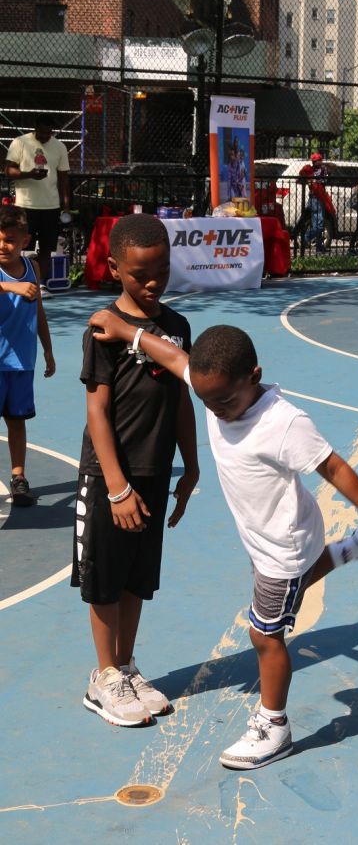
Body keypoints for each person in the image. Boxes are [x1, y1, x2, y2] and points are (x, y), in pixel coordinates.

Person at [87, 313, 358, 768]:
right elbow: (175, 357)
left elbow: (334, 467)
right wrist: (129, 333)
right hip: (273, 538)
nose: (216, 409)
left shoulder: (284, 423)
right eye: (206, 401)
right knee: (291, 588)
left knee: (265, 634)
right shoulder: (214, 383)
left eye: (224, 400)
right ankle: (351, 547)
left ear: (253, 376)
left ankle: (273, 726)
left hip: (283, 547)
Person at [71, 213, 199, 728]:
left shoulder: (176, 327)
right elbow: (97, 412)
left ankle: (126, 666)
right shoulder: (104, 328)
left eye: (161, 272)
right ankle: (103, 678)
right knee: (104, 578)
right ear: (114, 268)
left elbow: (183, 399)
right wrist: (117, 487)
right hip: (111, 477)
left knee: (136, 578)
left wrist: (190, 465)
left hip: (155, 471)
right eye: (140, 275)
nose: (152, 283)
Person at [0, 205, 55, 507]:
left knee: (17, 420)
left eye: (9, 240)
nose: (2, 245)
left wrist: (47, 349)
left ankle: (18, 476)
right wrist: (12, 286)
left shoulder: (32, 268)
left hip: (21, 361)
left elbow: (39, 311)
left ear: (25, 240)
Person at [5, 115, 71, 295]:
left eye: (48, 133)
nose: (45, 136)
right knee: (22, 246)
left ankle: (38, 283)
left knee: (47, 247)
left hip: (51, 206)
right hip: (25, 204)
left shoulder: (59, 146)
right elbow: (8, 170)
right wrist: (30, 174)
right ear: (35, 128)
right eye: (41, 132)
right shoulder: (20, 142)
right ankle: (18, 282)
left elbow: (64, 179)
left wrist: (66, 206)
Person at [300, 151, 329, 252]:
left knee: (317, 224)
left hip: (319, 197)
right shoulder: (309, 170)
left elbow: (326, 179)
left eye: (319, 160)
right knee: (319, 225)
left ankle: (319, 246)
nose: (318, 162)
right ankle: (305, 238)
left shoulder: (323, 169)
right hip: (315, 198)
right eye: (316, 161)